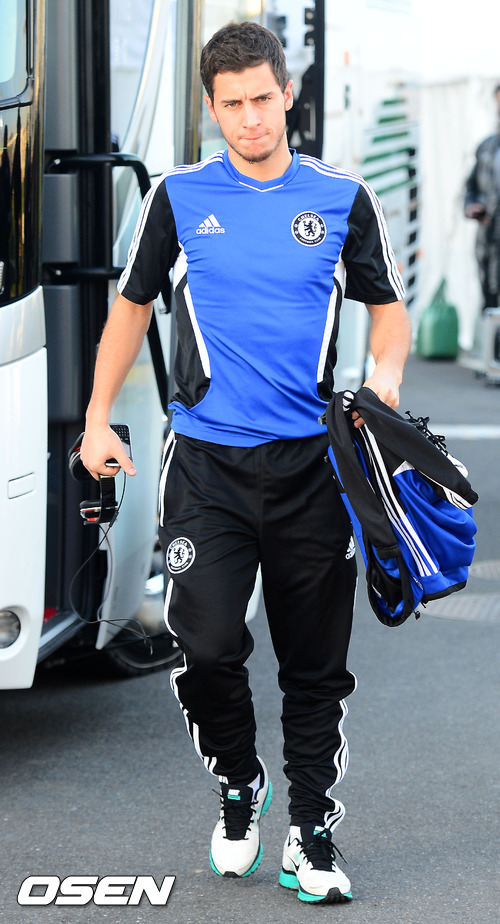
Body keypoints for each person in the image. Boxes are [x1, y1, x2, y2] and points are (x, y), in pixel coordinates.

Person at [81, 21, 412, 905]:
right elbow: (130, 308)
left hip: (313, 470)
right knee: (208, 645)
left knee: (315, 663)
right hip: (207, 466)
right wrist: (98, 420)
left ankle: (310, 828)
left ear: (287, 94)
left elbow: (388, 310)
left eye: (263, 99)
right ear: (211, 107)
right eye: (232, 105)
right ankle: (239, 782)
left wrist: (383, 381)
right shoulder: (177, 196)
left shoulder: (342, 198)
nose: (251, 118)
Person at [464, 84, 500, 310]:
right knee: (491, 306)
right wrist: (472, 206)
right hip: (489, 244)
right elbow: (471, 187)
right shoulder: (487, 147)